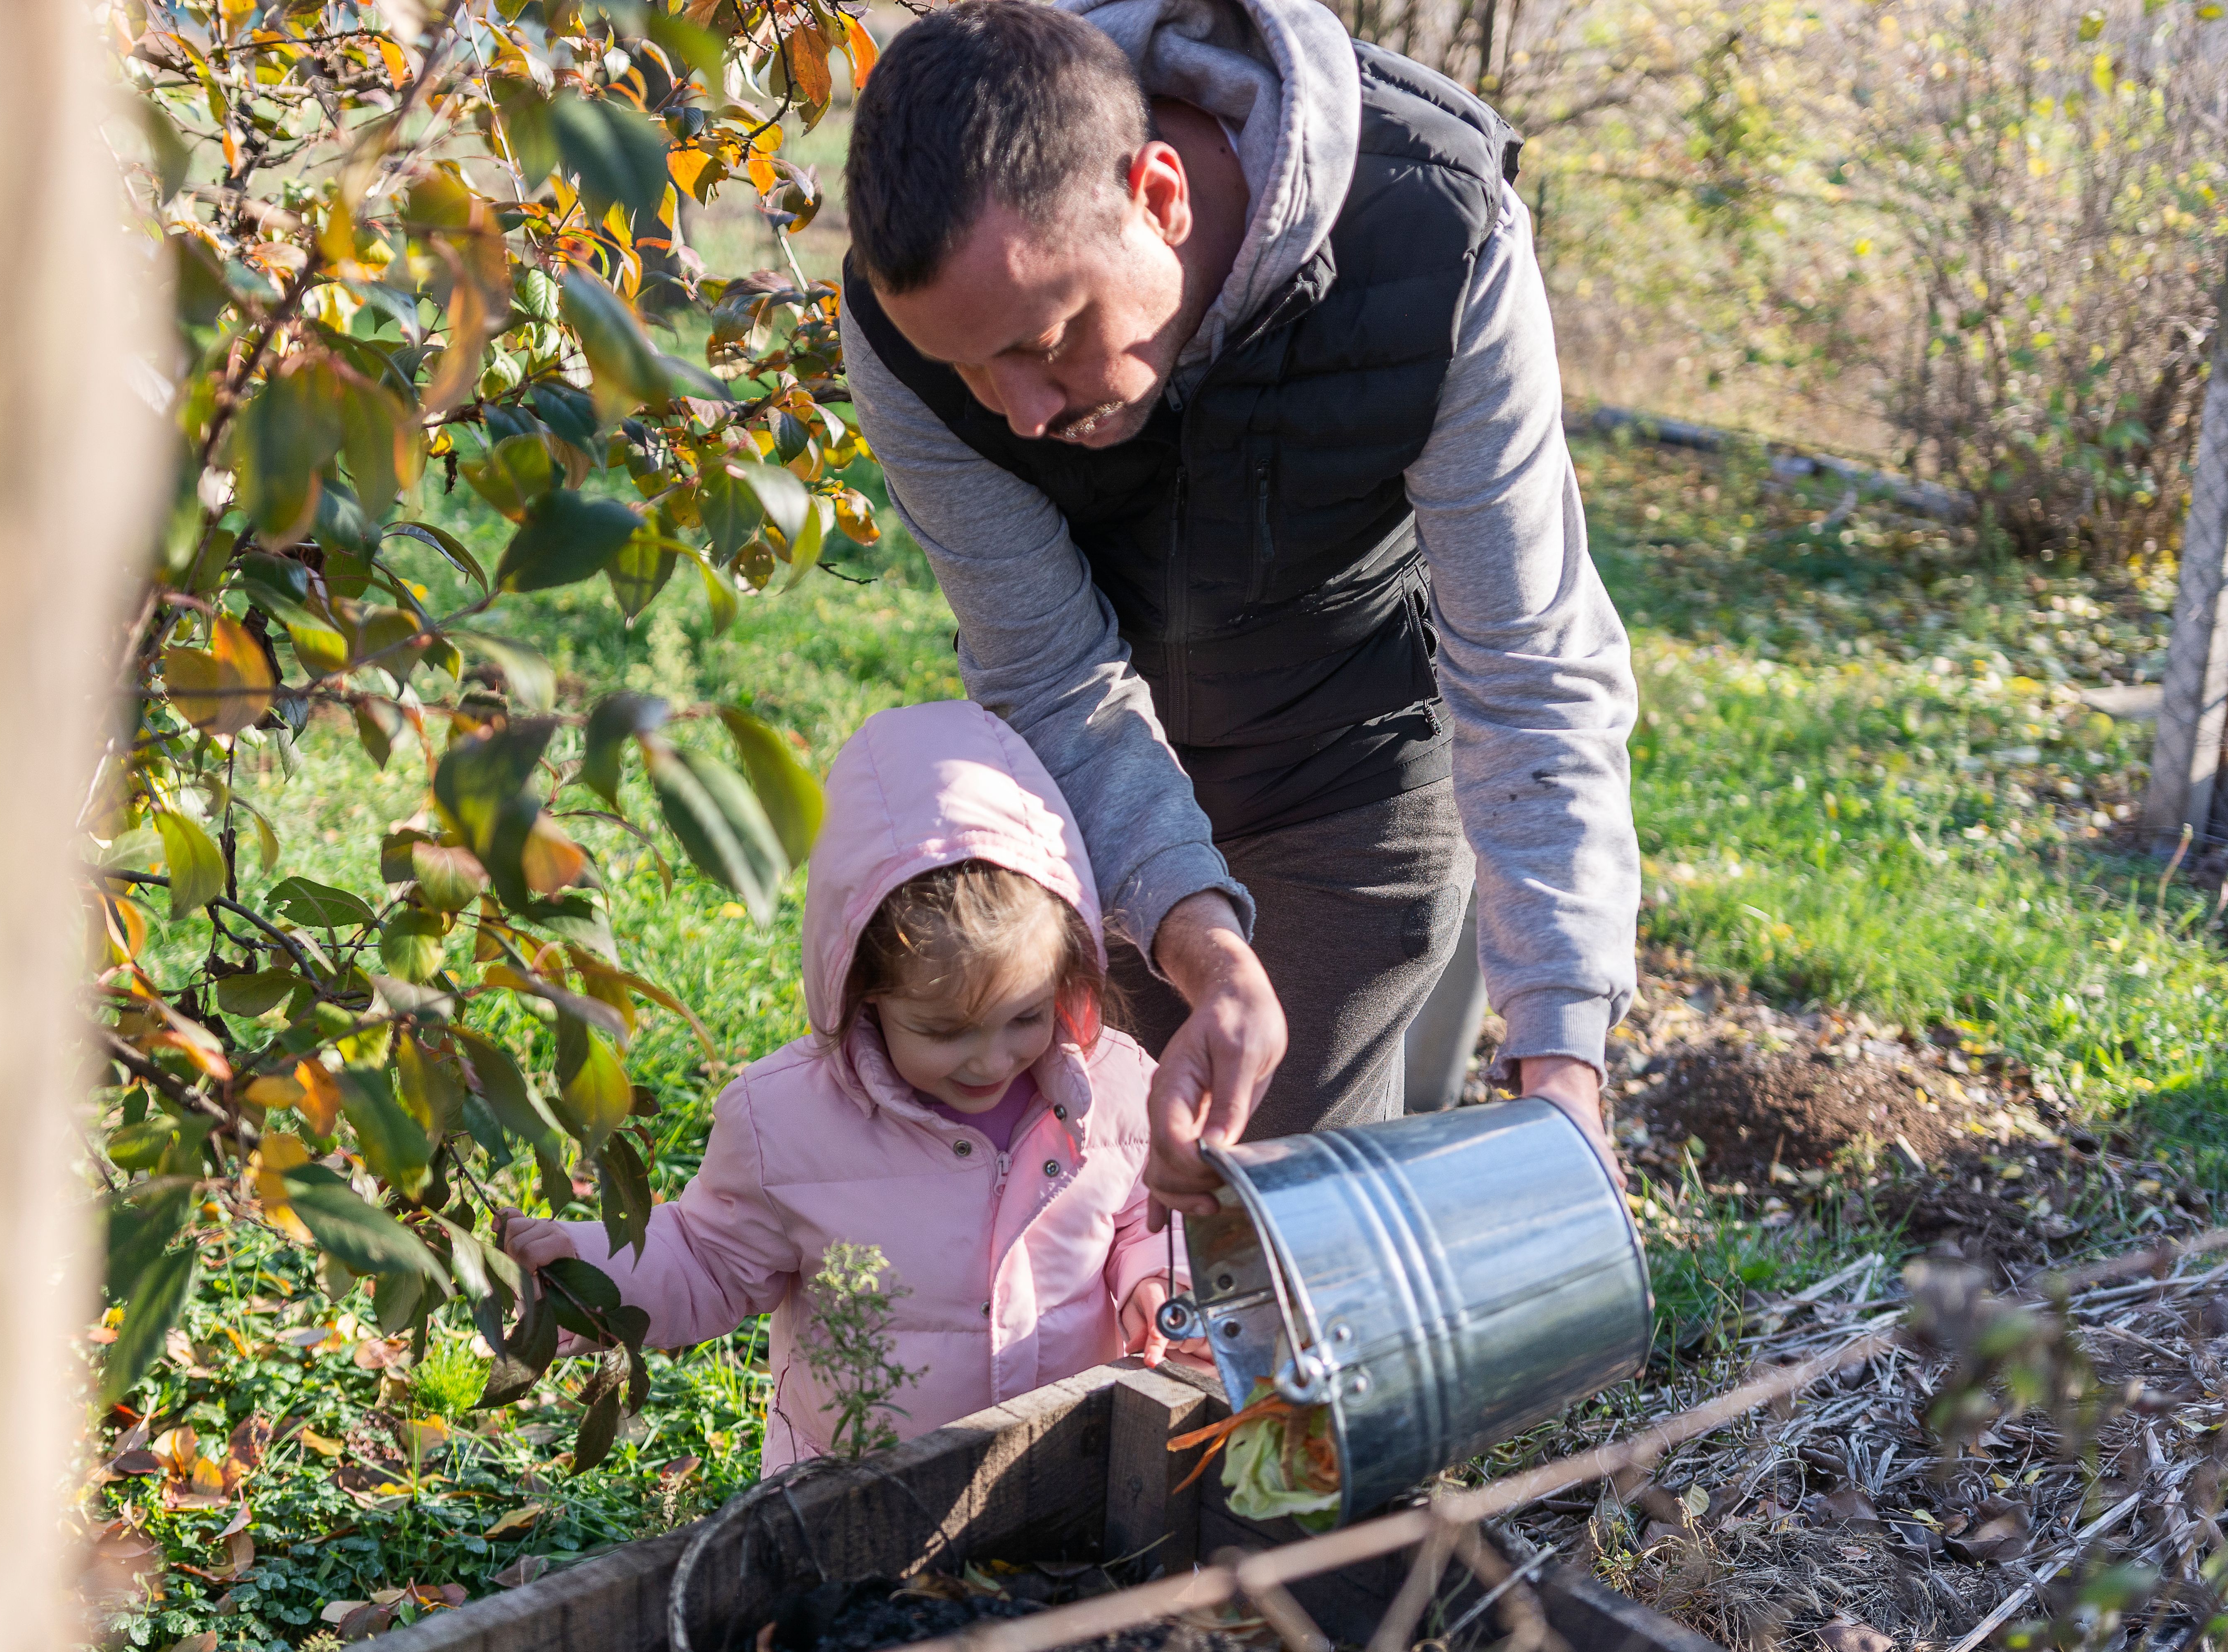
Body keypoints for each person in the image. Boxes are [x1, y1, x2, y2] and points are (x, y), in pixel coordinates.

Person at [838, 0, 1640, 1217]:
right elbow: (1052, 679)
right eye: (971, 370)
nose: (1021, 416)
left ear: (1161, 195)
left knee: (1266, 1227)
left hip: (1349, 769)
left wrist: (1563, 1054)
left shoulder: (1436, 232)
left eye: (1051, 342)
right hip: (1097, 789)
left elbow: (1529, 664)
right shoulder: (901, 332)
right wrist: (1201, 942)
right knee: (1093, 1210)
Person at [498, 700, 1190, 1470]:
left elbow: (1146, 1215)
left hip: (1058, 1466)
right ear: (862, 993)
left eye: (1025, 1018)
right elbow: (706, 1258)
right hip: (853, 1489)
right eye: (944, 1031)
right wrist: (584, 1268)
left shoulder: (1118, 1087)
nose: (993, 1061)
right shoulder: (789, 1123)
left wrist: (1155, 1283)